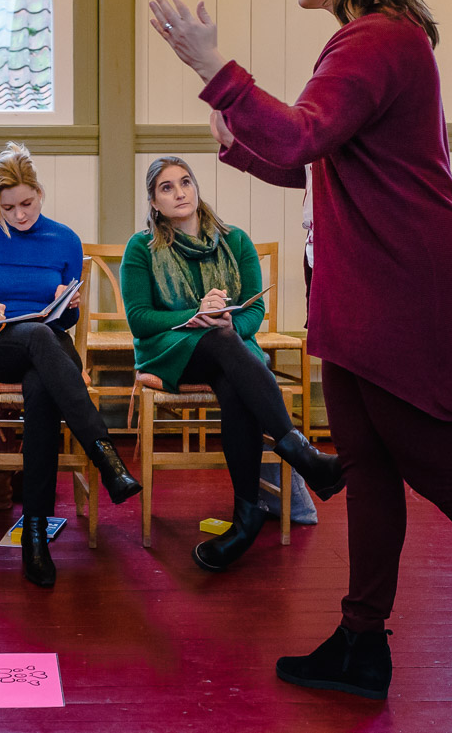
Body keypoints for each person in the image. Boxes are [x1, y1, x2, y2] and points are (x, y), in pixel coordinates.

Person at [149, 0, 452, 715]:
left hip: (408, 283)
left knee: (438, 464)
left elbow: (301, 135)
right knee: (368, 463)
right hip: (367, 283)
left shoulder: (380, 38)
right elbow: (323, 157)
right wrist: (245, 153)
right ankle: (361, 641)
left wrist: (211, 69)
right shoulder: (368, 40)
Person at [121, 156, 344, 572]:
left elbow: (253, 313)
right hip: (169, 352)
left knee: (233, 376)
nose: (180, 192)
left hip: (228, 351)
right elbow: (139, 318)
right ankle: (300, 453)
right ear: (153, 201)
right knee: (224, 341)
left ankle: (247, 518)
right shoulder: (142, 248)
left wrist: (225, 322)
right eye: (166, 187)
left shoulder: (235, 241)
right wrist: (194, 316)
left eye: (185, 182)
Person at [0, 142, 142, 588]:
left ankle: (35, 534)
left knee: (42, 386)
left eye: (27, 202)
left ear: (40, 192)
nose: (20, 215)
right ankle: (106, 456)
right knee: (40, 337)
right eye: (8, 207)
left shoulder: (65, 239)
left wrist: (71, 305)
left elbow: (68, 319)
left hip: (49, 349)